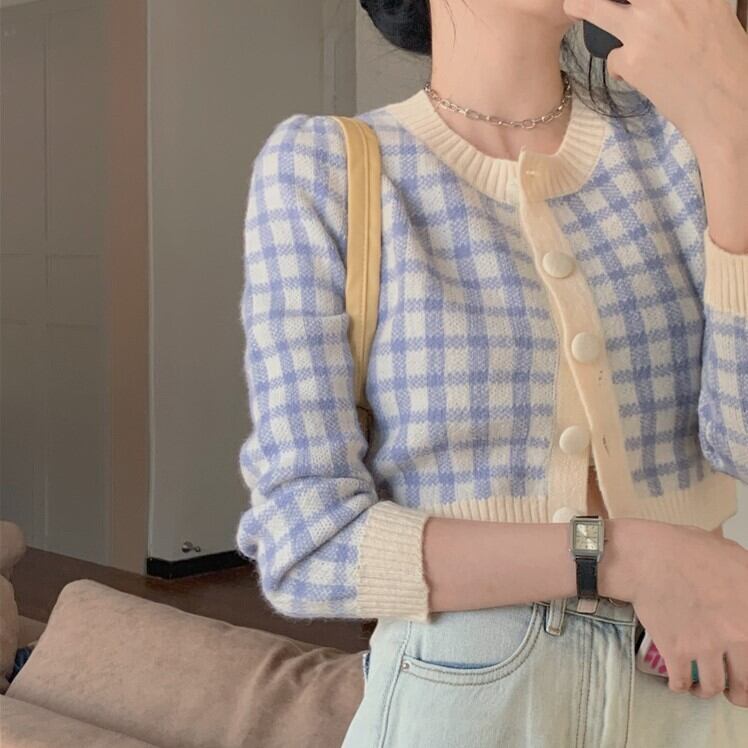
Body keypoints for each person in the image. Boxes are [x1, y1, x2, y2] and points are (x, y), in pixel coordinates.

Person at [234, 1, 748, 745]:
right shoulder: (329, 169)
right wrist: (626, 557)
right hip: (464, 702)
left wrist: (732, 136)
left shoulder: (682, 144)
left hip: (695, 693)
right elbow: (306, 545)